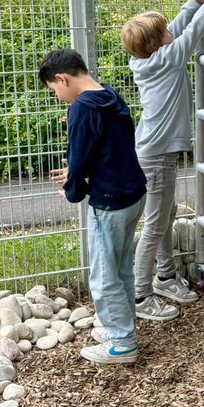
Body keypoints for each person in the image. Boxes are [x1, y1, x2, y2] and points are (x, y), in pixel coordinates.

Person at [120, 0, 204, 323]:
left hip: (153, 151)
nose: (168, 33)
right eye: (162, 33)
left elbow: (175, 29)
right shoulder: (169, 57)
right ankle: (141, 296)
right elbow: (192, 31)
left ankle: (164, 278)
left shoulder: (150, 57)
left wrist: (191, 1)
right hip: (157, 156)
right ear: (155, 44)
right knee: (156, 225)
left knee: (164, 216)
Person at [39, 48, 147, 365]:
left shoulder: (81, 108)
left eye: (55, 90)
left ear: (62, 78)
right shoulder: (108, 94)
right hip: (132, 192)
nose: (59, 96)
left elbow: (80, 154)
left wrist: (73, 187)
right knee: (121, 268)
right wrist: (76, 172)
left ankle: (123, 343)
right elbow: (106, 148)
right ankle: (122, 327)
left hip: (109, 201)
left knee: (102, 276)